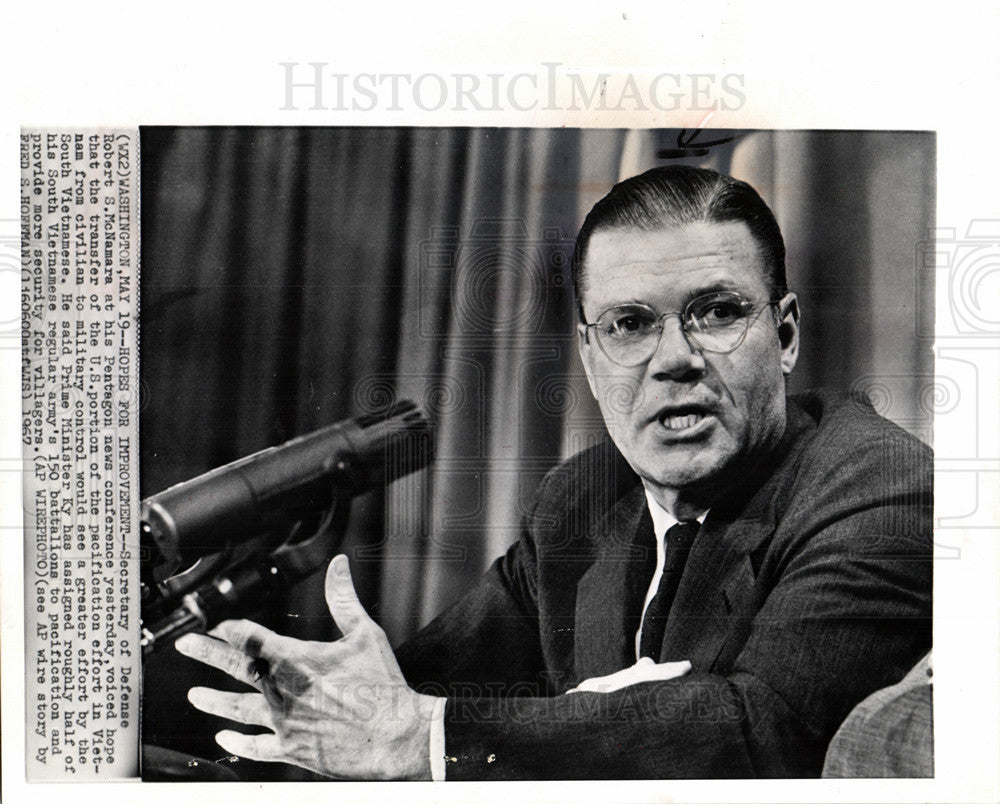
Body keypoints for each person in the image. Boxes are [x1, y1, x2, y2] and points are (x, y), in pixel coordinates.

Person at [174, 165, 933, 779]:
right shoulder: (584, 496)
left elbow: (766, 735)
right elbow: (417, 694)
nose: (675, 359)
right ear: (589, 355)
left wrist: (421, 738)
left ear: (787, 334)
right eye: (630, 325)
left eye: (717, 312)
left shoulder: (881, 488)